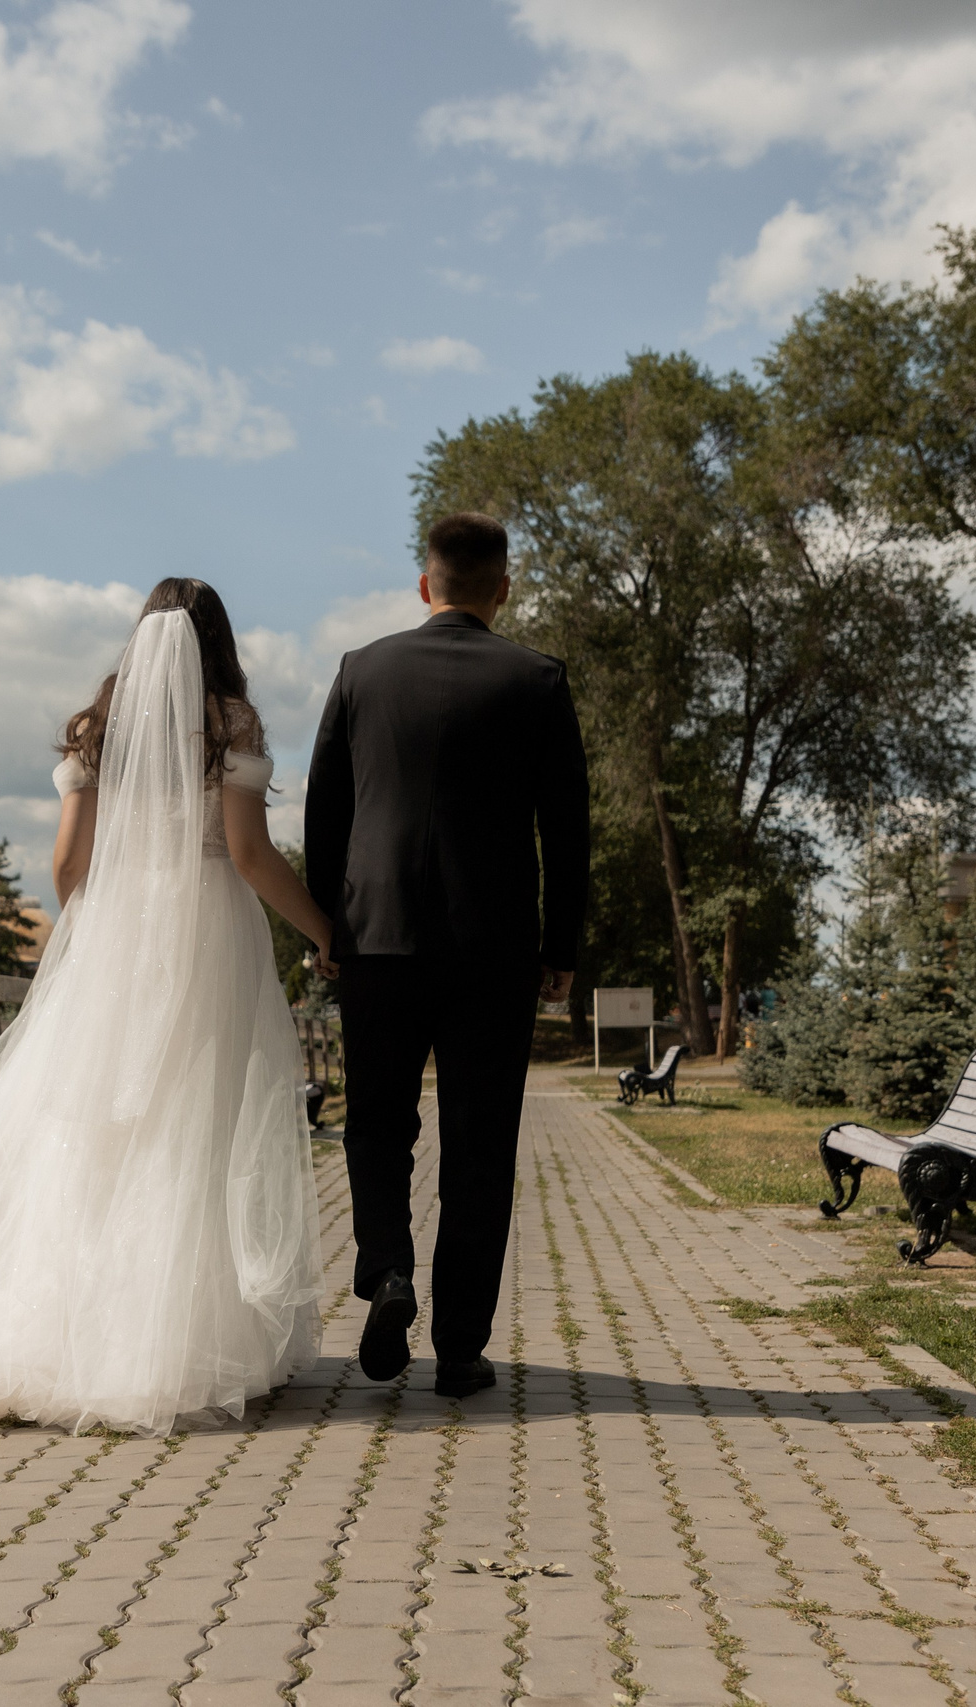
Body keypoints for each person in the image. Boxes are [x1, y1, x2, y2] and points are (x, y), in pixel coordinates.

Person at [0, 580, 331, 1436]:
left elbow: (65, 864)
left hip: (115, 927)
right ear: (217, 642)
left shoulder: (98, 730)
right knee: (193, 1125)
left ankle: (51, 1342)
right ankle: (175, 1344)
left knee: (91, 1132)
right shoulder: (229, 722)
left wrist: (93, 939)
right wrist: (321, 927)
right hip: (207, 932)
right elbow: (244, 850)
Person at [306, 512, 590, 1399]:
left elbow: (325, 815)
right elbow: (568, 828)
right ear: (502, 588)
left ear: (425, 586)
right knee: (479, 1139)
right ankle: (461, 1348)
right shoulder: (539, 679)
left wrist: (328, 926)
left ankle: (388, 1267)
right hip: (492, 948)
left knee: (378, 1122)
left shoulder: (362, 670)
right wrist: (562, 947)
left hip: (378, 939)